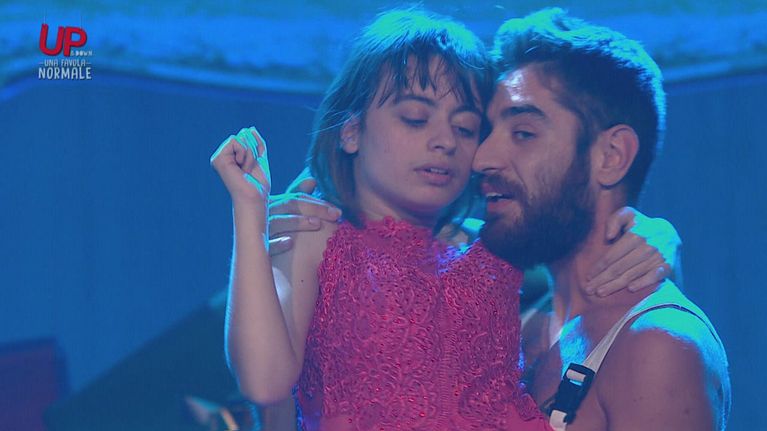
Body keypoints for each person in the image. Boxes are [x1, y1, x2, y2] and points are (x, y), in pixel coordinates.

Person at [211, 9, 675, 431]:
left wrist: (662, 238)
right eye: (416, 119)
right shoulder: (315, 236)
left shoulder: (489, 248)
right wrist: (249, 214)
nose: (444, 141)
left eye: (465, 128)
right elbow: (264, 382)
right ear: (351, 131)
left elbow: (595, 280)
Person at [474, 8, 731, 430]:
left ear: (611, 157)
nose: (482, 158)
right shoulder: (515, 321)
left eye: (523, 133)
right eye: (486, 133)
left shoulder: (656, 345)